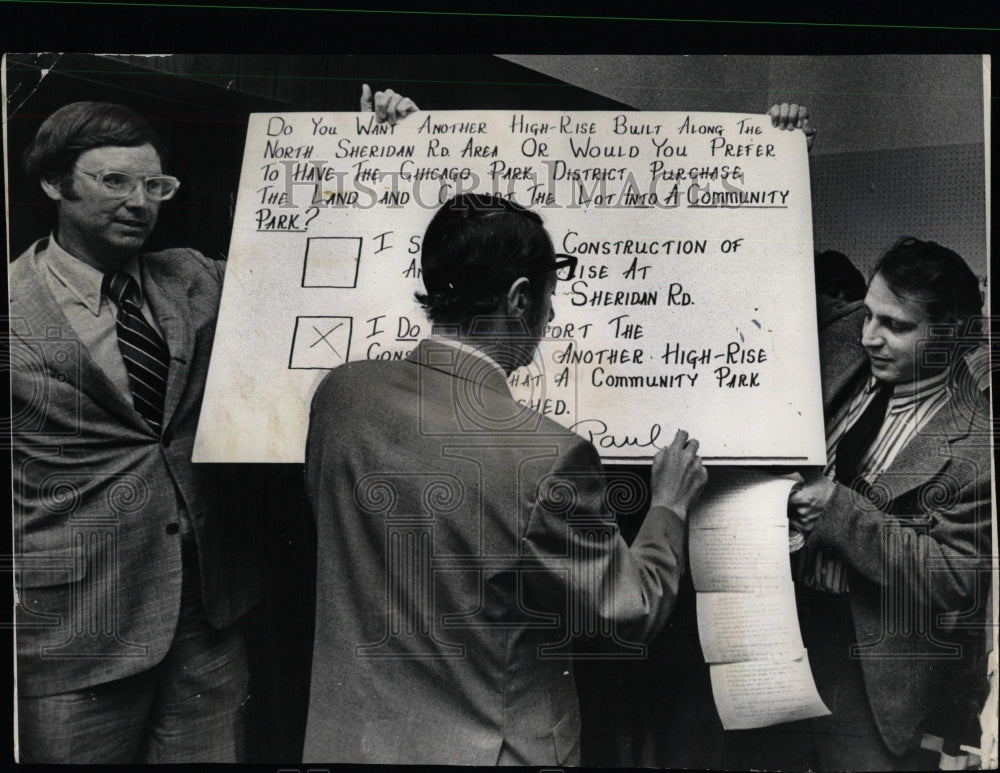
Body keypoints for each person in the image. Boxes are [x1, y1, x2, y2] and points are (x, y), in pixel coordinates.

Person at [10, 88, 416, 764]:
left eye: (153, 185)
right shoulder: (13, 308)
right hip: (76, 630)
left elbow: (321, 265)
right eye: (114, 181)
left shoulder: (192, 279)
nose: (139, 203)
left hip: (209, 614)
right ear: (54, 182)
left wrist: (378, 145)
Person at [302, 193, 708, 765]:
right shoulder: (550, 456)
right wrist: (668, 505)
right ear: (520, 299)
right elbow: (628, 610)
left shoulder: (340, 395)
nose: (552, 318)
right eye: (549, 299)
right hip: (492, 751)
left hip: (352, 742)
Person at [784, 236, 992, 770]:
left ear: (952, 336)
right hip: (777, 621)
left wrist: (840, 514)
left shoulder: (976, 442)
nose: (870, 336)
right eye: (869, 314)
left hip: (867, 659)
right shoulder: (848, 343)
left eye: (896, 326)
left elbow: (957, 578)